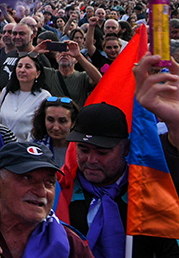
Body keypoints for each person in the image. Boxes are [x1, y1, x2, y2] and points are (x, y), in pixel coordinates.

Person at [59, 102, 179, 257]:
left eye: (102, 152)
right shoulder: (60, 190)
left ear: (126, 148)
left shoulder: (149, 195)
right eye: (83, 149)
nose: (91, 159)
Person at [0, 55, 51, 141]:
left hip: (25, 149)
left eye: (28, 67)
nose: (22, 70)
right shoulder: (7, 91)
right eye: (19, 66)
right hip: (1, 147)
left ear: (38, 73)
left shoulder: (44, 96)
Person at [41, 40, 101, 108]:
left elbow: (98, 80)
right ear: (56, 58)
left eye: (68, 51)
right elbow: (28, 66)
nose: (64, 53)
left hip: (75, 117)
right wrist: (35, 51)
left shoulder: (82, 77)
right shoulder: (48, 74)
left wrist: (79, 56)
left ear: (76, 60)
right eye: (60, 51)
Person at [29, 97, 78, 167]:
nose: (56, 127)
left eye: (62, 121)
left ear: (73, 123)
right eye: (50, 120)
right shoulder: (33, 148)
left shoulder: (82, 150)